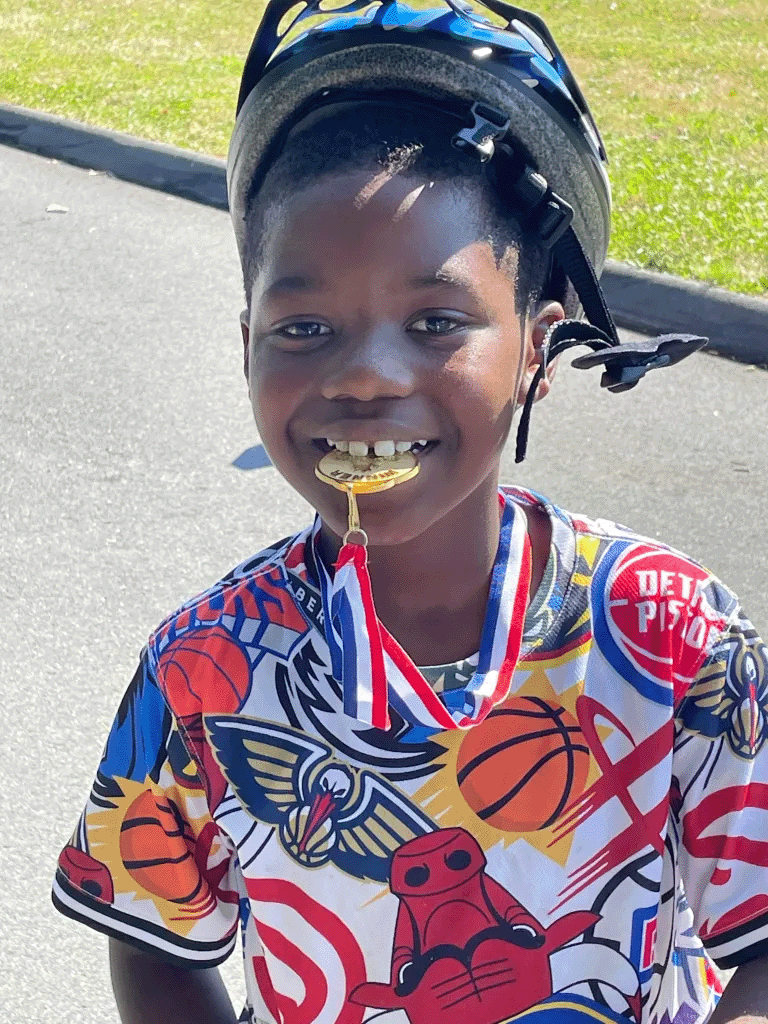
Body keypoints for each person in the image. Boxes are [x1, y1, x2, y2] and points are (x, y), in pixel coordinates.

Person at [52, 2, 768, 1024]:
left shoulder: (672, 634)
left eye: (436, 321)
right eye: (304, 326)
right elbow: (153, 939)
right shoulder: (205, 667)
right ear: (245, 340)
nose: (364, 376)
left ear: (535, 346)